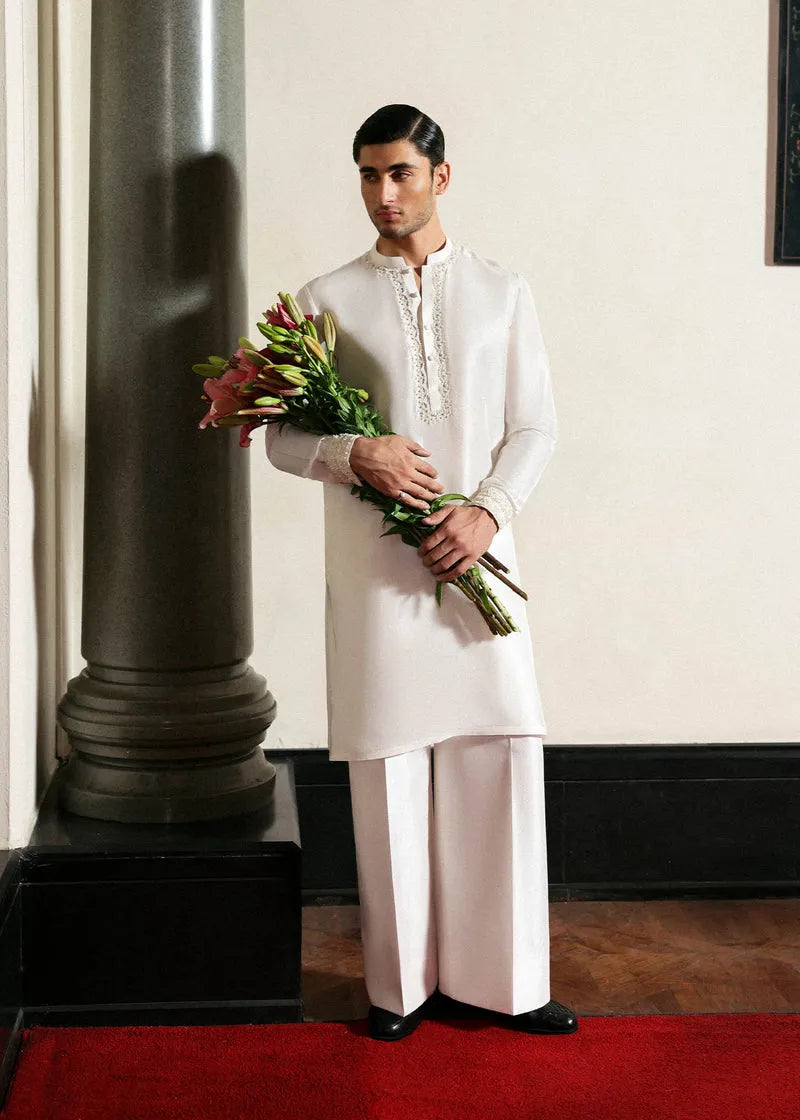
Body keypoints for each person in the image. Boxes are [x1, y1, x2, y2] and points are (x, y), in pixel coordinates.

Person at [264, 104, 577, 1042]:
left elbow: (536, 426)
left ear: (441, 176)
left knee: (498, 752)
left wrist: (488, 513)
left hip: (478, 554)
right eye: (368, 174)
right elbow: (280, 439)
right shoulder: (324, 298)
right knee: (390, 766)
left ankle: (509, 985)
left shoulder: (501, 291)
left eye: (400, 172)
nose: (383, 193)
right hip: (378, 573)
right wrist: (354, 451)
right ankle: (399, 990)